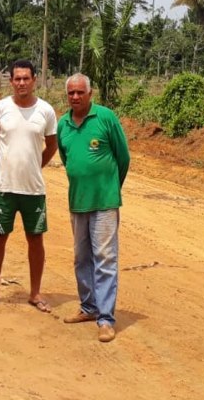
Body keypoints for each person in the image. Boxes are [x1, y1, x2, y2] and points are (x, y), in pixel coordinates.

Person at [0, 59, 58, 313]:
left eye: (26, 78)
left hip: (34, 190)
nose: (22, 83)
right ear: (11, 81)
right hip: (3, 188)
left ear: (34, 80)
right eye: (17, 78)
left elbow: (52, 145)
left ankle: (35, 293)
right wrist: (6, 165)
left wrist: (35, 166)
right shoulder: (0, 109)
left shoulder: (46, 111)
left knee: (36, 240)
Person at [57, 73, 130, 343]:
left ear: (90, 94)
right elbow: (67, 158)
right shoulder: (63, 124)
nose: (75, 97)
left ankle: (106, 318)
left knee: (105, 259)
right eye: (71, 93)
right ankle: (88, 307)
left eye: (80, 92)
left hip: (104, 202)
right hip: (78, 201)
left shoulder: (106, 118)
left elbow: (123, 157)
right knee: (81, 257)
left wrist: (111, 187)